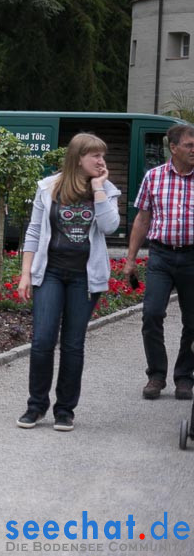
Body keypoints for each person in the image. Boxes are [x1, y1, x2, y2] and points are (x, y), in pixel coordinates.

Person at [16, 133, 120, 431]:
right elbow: (34, 232)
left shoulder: (107, 189)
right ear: (77, 158)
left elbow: (110, 226)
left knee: (73, 345)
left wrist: (98, 189)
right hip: (49, 274)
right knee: (42, 341)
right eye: (94, 156)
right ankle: (36, 407)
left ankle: (65, 411)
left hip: (84, 279)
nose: (101, 161)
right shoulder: (48, 187)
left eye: (103, 155)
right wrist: (26, 273)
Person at [122, 123, 194, 401]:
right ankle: (156, 374)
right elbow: (142, 219)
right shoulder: (154, 177)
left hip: (192, 257)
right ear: (173, 148)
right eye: (189, 145)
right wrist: (130, 259)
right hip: (161, 256)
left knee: (193, 322)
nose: (193, 150)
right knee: (151, 314)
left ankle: (184, 377)